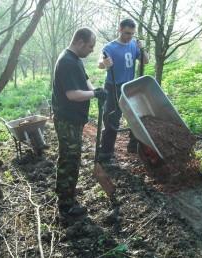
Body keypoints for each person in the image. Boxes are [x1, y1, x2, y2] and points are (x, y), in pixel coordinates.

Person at [52, 27, 107, 218]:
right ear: (80, 42)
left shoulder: (74, 59)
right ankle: (66, 206)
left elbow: (85, 81)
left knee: (71, 158)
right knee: (69, 159)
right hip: (67, 120)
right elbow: (72, 94)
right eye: (90, 46)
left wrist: (95, 89)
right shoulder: (67, 62)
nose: (92, 50)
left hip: (73, 120)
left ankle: (67, 196)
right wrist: (94, 94)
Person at [98, 18, 149, 161]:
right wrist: (104, 63)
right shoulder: (110, 47)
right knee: (111, 118)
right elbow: (100, 64)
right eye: (127, 33)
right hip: (113, 86)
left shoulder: (134, 45)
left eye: (132, 34)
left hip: (130, 86)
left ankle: (133, 146)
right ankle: (106, 153)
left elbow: (146, 61)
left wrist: (143, 49)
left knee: (137, 115)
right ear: (120, 30)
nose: (129, 37)